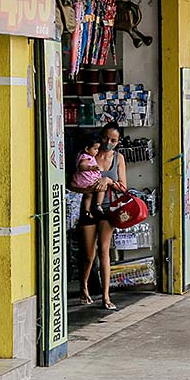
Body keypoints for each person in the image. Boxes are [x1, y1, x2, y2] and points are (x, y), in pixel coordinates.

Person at [71, 122, 128, 310]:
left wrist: (109, 181)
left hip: (107, 209)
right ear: (100, 136)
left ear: (118, 142)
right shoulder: (86, 155)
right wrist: (89, 188)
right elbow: (71, 184)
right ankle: (84, 288)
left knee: (104, 251)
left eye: (113, 140)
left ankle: (105, 295)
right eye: (105, 138)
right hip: (87, 209)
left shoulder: (118, 158)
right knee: (88, 255)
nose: (108, 142)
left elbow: (123, 188)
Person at [72, 136, 107, 219]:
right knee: (103, 188)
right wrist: (91, 168)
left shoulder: (80, 155)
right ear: (87, 149)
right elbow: (82, 166)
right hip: (87, 180)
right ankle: (98, 204)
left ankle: (87, 211)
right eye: (95, 149)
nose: (97, 151)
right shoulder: (87, 157)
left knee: (89, 195)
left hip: (81, 181)